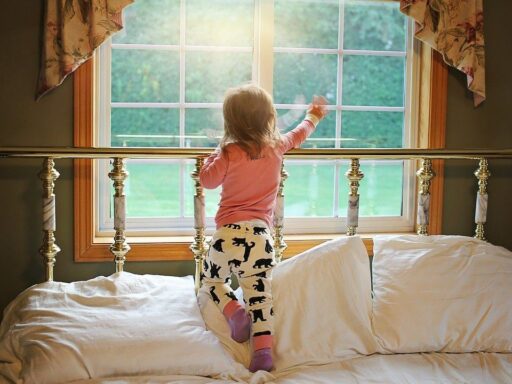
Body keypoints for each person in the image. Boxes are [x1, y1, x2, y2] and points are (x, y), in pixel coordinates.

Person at [199, 84, 328, 372]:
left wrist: (211, 156)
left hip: (226, 235)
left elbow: (208, 180)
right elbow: (300, 134)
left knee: (210, 282)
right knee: (260, 296)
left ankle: (233, 312)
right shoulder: (277, 146)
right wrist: (314, 116)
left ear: (230, 121)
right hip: (259, 237)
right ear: (268, 116)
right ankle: (263, 353)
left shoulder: (229, 151)